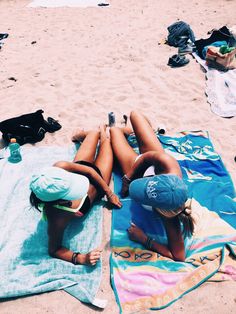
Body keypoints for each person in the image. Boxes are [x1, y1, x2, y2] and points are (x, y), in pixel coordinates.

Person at [30, 126, 122, 266]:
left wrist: (109, 193)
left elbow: (89, 172)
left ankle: (80, 135)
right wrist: (80, 258)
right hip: (97, 183)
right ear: (60, 201)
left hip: (83, 168)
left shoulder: (59, 167)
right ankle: (103, 131)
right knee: (106, 142)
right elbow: (54, 250)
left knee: (93, 132)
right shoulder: (56, 217)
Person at [110, 111, 194, 261]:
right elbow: (148, 157)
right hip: (146, 161)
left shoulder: (168, 217)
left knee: (114, 131)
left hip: (140, 168)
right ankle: (133, 132)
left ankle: (127, 132)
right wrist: (128, 178)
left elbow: (179, 257)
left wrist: (145, 239)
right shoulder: (170, 166)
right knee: (135, 115)